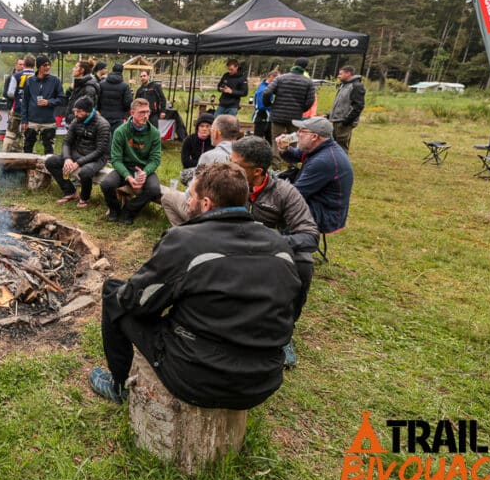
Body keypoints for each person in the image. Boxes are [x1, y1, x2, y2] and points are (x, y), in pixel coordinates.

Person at [88, 162, 299, 406]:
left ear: (206, 204)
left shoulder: (185, 241)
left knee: (115, 293)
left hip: (197, 378)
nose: (187, 202)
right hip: (264, 379)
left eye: (191, 196)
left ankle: (119, 386)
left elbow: (136, 302)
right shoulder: (279, 243)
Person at [230, 136, 318, 367]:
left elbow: (309, 236)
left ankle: (283, 332)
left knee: (303, 263)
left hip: (265, 250)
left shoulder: (284, 192)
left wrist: (273, 241)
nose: (230, 169)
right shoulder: (226, 181)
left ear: (257, 171)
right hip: (228, 243)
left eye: (236, 166)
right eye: (229, 161)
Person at [276, 117, 354, 235]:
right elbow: (297, 155)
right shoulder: (320, 147)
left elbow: (295, 194)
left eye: (301, 131)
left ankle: (285, 246)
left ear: (314, 137)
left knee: (272, 207)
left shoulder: (323, 161)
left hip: (326, 215)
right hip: (317, 202)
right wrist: (284, 149)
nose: (297, 134)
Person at [161, 114, 239, 226]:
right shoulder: (243, 155)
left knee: (167, 197)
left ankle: (184, 233)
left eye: (210, 128)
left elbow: (191, 193)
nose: (207, 130)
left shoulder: (209, 157)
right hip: (236, 214)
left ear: (216, 132)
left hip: (210, 214)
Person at [100, 98, 161, 225]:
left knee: (154, 189)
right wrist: (127, 176)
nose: (145, 116)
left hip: (144, 169)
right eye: (141, 112)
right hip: (125, 167)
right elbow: (116, 159)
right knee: (106, 184)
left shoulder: (154, 133)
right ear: (132, 113)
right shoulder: (121, 131)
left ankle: (130, 210)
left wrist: (145, 172)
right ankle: (114, 209)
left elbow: (155, 159)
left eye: (147, 112)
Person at [45, 96, 110, 208]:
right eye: (75, 111)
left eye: (79, 111)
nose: (75, 114)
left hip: (97, 158)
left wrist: (78, 163)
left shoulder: (102, 125)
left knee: (85, 172)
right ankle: (70, 192)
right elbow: (66, 142)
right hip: (78, 153)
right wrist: (67, 158)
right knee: (51, 162)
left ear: (88, 112)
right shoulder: (76, 121)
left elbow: (100, 151)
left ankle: (85, 198)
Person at [263, 57, 316, 148]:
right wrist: (301, 109)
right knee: (293, 138)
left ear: (293, 64)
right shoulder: (308, 82)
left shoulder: (280, 78)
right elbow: (311, 100)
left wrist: (269, 104)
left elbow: (267, 92)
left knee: (277, 138)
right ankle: (290, 159)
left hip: (278, 114)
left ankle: (277, 159)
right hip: (295, 115)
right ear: (305, 67)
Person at [20, 55, 64, 154]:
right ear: (39, 67)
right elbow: (25, 101)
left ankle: (47, 169)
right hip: (32, 121)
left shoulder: (55, 81)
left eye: (49, 65)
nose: (48, 67)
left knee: (49, 150)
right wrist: (24, 120)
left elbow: (61, 99)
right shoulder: (30, 81)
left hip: (48, 122)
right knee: (27, 148)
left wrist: (49, 102)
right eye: (45, 65)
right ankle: (27, 169)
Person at [327, 65, 366, 153]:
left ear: (348, 73)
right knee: (334, 145)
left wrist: (347, 121)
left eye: (340, 74)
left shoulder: (356, 86)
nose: (338, 76)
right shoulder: (343, 85)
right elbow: (341, 104)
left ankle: (341, 165)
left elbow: (358, 106)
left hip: (344, 122)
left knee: (341, 147)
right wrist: (328, 115)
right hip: (337, 120)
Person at [3, 54, 35, 153]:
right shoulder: (38, 76)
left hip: (17, 108)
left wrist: (19, 97)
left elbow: (10, 93)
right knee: (28, 135)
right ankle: (27, 155)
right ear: (34, 65)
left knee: (11, 133)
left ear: (24, 64)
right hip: (32, 111)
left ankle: (6, 153)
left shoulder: (15, 76)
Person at [98, 63, 133, 132]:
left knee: (103, 137)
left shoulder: (101, 84)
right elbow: (128, 102)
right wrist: (124, 113)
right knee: (116, 139)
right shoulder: (125, 86)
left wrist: (99, 110)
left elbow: (97, 99)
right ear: (122, 71)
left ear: (112, 70)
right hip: (118, 117)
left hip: (103, 116)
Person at [253, 67, 279, 144]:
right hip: (262, 117)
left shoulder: (270, 88)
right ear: (271, 77)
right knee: (257, 141)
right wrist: (273, 105)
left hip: (269, 118)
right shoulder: (263, 89)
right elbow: (261, 106)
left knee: (270, 140)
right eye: (277, 79)